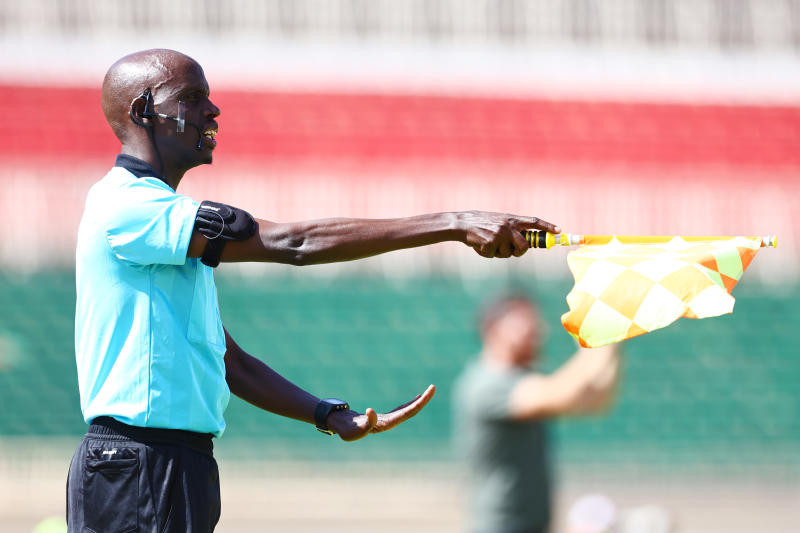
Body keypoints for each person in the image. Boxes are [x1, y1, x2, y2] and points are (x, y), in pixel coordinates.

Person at [67, 48, 560, 533]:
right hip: (136, 462)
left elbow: (227, 363)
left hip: (174, 462)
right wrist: (453, 223)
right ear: (142, 111)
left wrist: (326, 414)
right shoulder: (129, 209)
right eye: (193, 97)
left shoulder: (163, 229)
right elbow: (293, 243)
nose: (212, 110)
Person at [452, 294, 622, 533]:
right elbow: (562, 392)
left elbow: (594, 400)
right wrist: (599, 338)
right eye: (524, 322)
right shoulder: (484, 384)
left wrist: (613, 344)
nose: (538, 331)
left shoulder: (522, 378)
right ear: (493, 328)